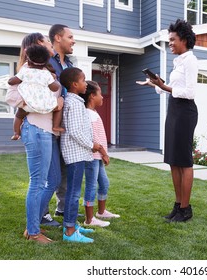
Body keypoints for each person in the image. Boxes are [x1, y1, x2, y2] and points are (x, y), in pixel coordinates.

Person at [137, 19, 198, 222]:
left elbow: (188, 92)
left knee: (184, 161)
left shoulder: (190, 60)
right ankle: (177, 206)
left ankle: (186, 209)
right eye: (169, 40)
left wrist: (164, 87)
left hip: (185, 112)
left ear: (184, 40)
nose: (170, 43)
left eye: (173, 39)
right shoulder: (178, 60)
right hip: (173, 110)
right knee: (173, 160)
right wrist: (155, 83)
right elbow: (171, 88)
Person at [16, 32, 63, 244]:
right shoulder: (26, 72)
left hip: (47, 131)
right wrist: (47, 104)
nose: (50, 43)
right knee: (37, 181)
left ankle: (33, 222)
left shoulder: (44, 72)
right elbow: (11, 96)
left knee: (52, 179)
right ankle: (33, 231)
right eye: (46, 40)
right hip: (36, 128)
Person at [59, 67, 100, 243]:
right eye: (83, 81)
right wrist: (92, 145)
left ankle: (72, 225)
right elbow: (75, 131)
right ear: (75, 84)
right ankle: (69, 231)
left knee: (74, 192)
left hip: (78, 153)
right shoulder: (74, 103)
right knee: (74, 194)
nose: (86, 84)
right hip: (75, 155)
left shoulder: (75, 101)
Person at [41, 24, 76, 225]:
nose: (73, 41)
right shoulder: (46, 62)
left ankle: (62, 208)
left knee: (65, 169)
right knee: (47, 171)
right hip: (48, 123)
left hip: (66, 125)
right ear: (57, 38)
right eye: (70, 37)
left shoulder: (69, 65)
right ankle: (42, 213)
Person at [79, 81, 120, 228]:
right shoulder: (88, 114)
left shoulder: (92, 112)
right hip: (92, 156)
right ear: (91, 96)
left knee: (104, 183)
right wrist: (104, 153)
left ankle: (101, 212)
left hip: (97, 157)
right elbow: (93, 137)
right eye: (100, 94)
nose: (102, 97)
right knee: (91, 186)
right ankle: (89, 219)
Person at [8, 44, 64, 140]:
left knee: (18, 116)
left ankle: (16, 133)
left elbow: (11, 82)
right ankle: (56, 125)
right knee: (59, 105)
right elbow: (55, 88)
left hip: (28, 105)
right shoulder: (47, 74)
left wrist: (16, 79)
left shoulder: (25, 71)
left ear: (28, 60)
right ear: (46, 61)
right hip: (45, 106)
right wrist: (55, 80)